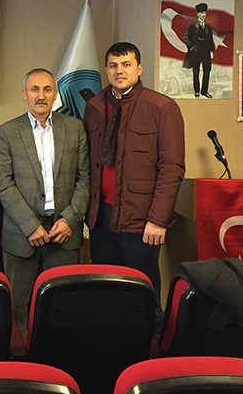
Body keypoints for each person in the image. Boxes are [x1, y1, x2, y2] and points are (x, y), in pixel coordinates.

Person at [83, 42, 185, 324]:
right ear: (106, 70)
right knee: (106, 290)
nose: (120, 71)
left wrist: (158, 220)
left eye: (126, 64)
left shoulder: (161, 107)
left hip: (142, 219)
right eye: (113, 65)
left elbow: (172, 168)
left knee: (142, 292)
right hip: (100, 217)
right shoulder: (93, 107)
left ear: (139, 69)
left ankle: (150, 346)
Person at [0, 68, 90, 336]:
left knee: (65, 304)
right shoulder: (7, 132)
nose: (41, 96)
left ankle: (58, 356)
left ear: (55, 94)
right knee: (17, 306)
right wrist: (30, 225)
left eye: (47, 89)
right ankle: (23, 358)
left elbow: (84, 180)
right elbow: (4, 184)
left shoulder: (75, 128)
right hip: (21, 234)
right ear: (24, 94)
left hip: (64, 233)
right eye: (34, 89)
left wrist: (70, 219)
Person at [183, 2, 215, 98]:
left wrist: (211, 50)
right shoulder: (192, 25)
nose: (203, 15)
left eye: (204, 13)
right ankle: (197, 92)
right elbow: (186, 38)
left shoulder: (208, 26)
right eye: (201, 13)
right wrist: (192, 47)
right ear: (197, 14)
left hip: (206, 52)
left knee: (207, 71)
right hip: (196, 52)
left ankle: (204, 91)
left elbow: (210, 39)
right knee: (196, 72)